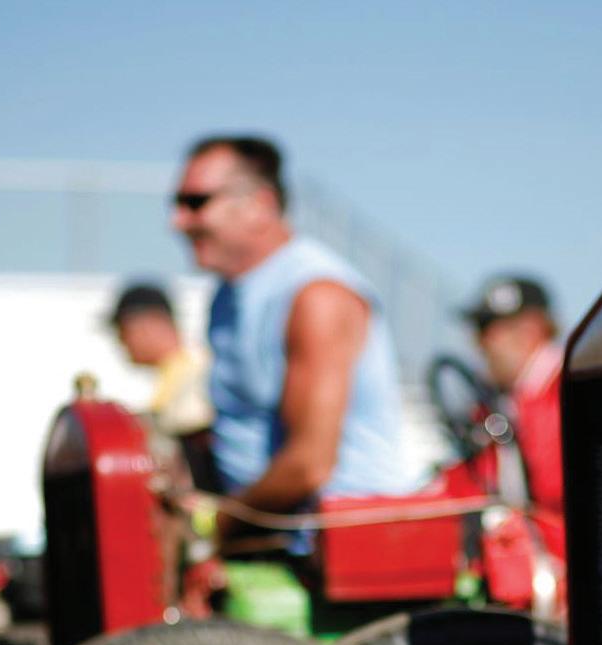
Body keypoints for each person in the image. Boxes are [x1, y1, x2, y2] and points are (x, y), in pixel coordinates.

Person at [169, 135, 421, 537]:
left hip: (334, 549)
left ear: (260, 204)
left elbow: (309, 465)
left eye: (195, 202)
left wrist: (212, 528)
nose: (178, 221)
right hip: (268, 536)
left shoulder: (317, 295)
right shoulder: (227, 296)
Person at [463, 275, 563, 512]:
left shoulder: (569, 389)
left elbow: (553, 495)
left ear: (530, 330)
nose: (479, 344)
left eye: (485, 328)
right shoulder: (501, 400)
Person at [106, 281, 217, 487]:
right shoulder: (174, 374)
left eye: (122, 330)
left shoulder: (198, 372)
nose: (121, 342)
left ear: (150, 323)